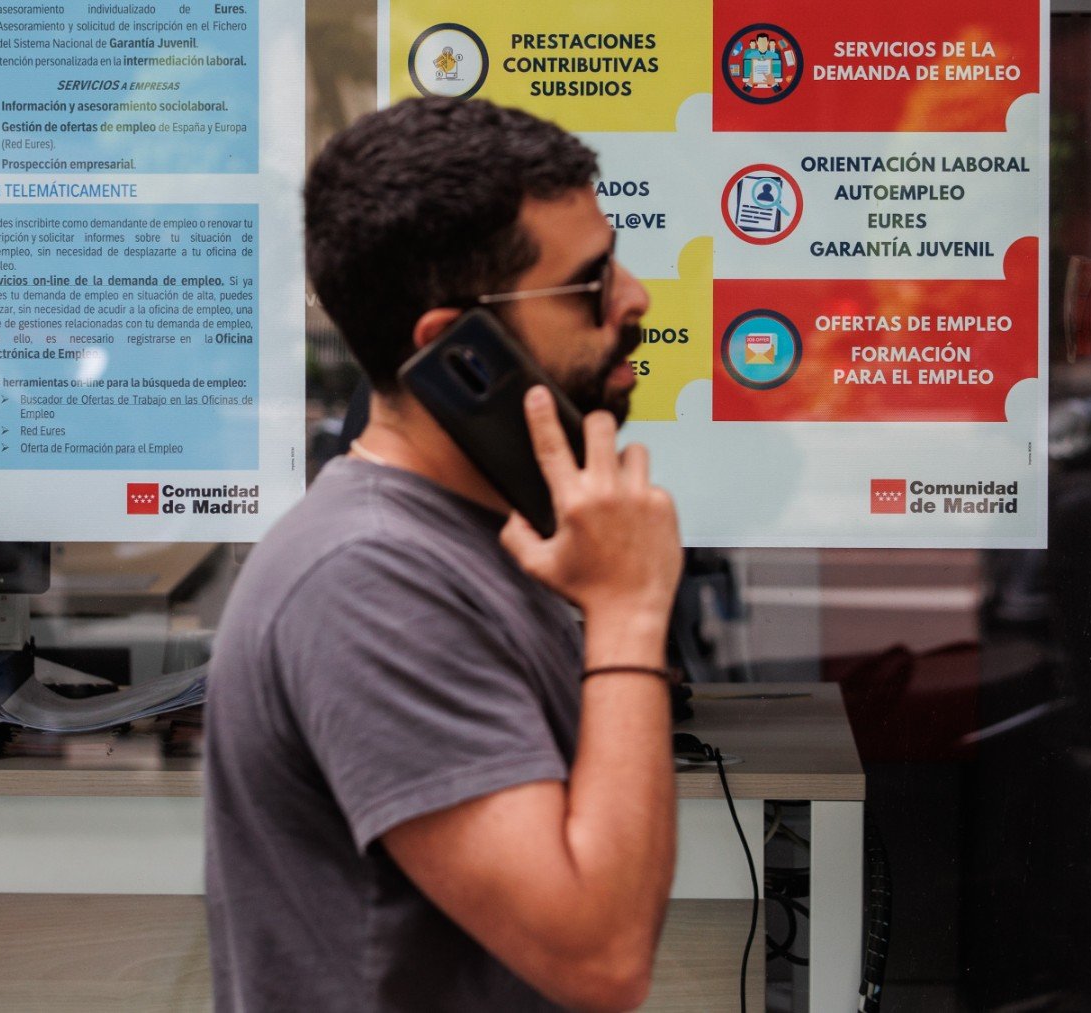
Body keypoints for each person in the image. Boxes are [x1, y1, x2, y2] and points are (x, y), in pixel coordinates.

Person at [203, 97, 683, 1012]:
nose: (634, 297)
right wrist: (630, 608)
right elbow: (599, 957)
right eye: (589, 283)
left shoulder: (473, 537)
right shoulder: (366, 578)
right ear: (457, 347)